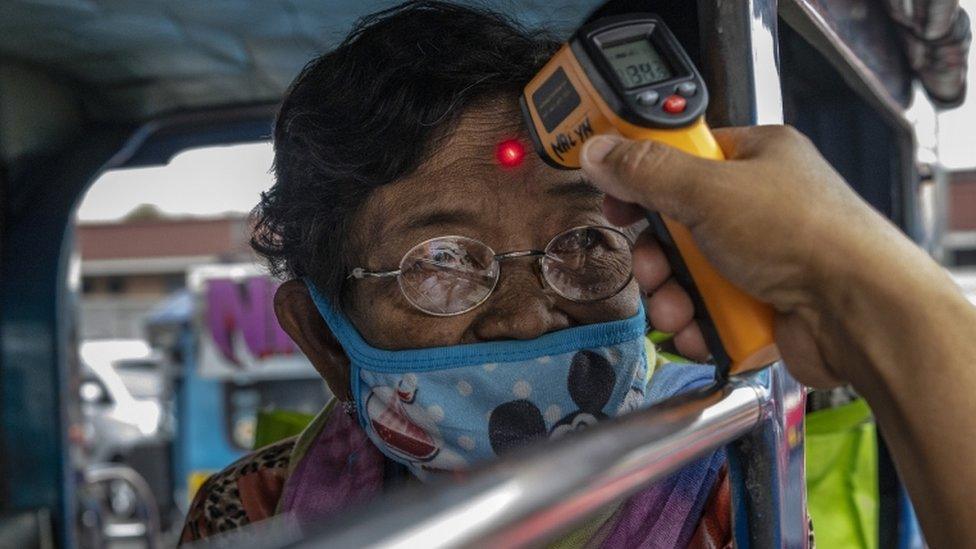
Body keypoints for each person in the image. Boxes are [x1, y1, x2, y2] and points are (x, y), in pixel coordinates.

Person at [180, 2, 732, 546]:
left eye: (586, 240)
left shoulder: (740, 469)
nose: (524, 319)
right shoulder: (251, 515)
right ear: (324, 339)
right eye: (440, 261)